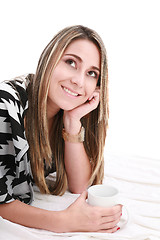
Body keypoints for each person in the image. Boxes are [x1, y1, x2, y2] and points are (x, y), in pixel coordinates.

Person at [0, 25, 122, 233]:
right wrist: (64, 221)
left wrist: (73, 121)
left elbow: (80, 185)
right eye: (71, 62)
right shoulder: (5, 105)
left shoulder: (62, 114)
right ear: (49, 59)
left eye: (92, 73)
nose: (79, 81)